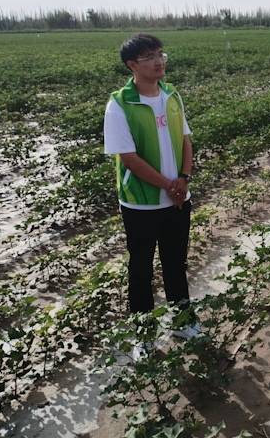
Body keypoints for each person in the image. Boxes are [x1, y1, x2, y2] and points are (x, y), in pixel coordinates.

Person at [103, 33, 200, 342]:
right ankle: (144, 335)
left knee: (175, 264)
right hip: (141, 204)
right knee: (141, 270)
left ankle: (183, 321)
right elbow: (129, 158)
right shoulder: (120, 104)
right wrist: (168, 185)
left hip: (178, 198)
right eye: (149, 57)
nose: (159, 61)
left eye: (160, 54)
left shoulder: (172, 95)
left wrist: (183, 178)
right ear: (132, 65)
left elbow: (186, 140)